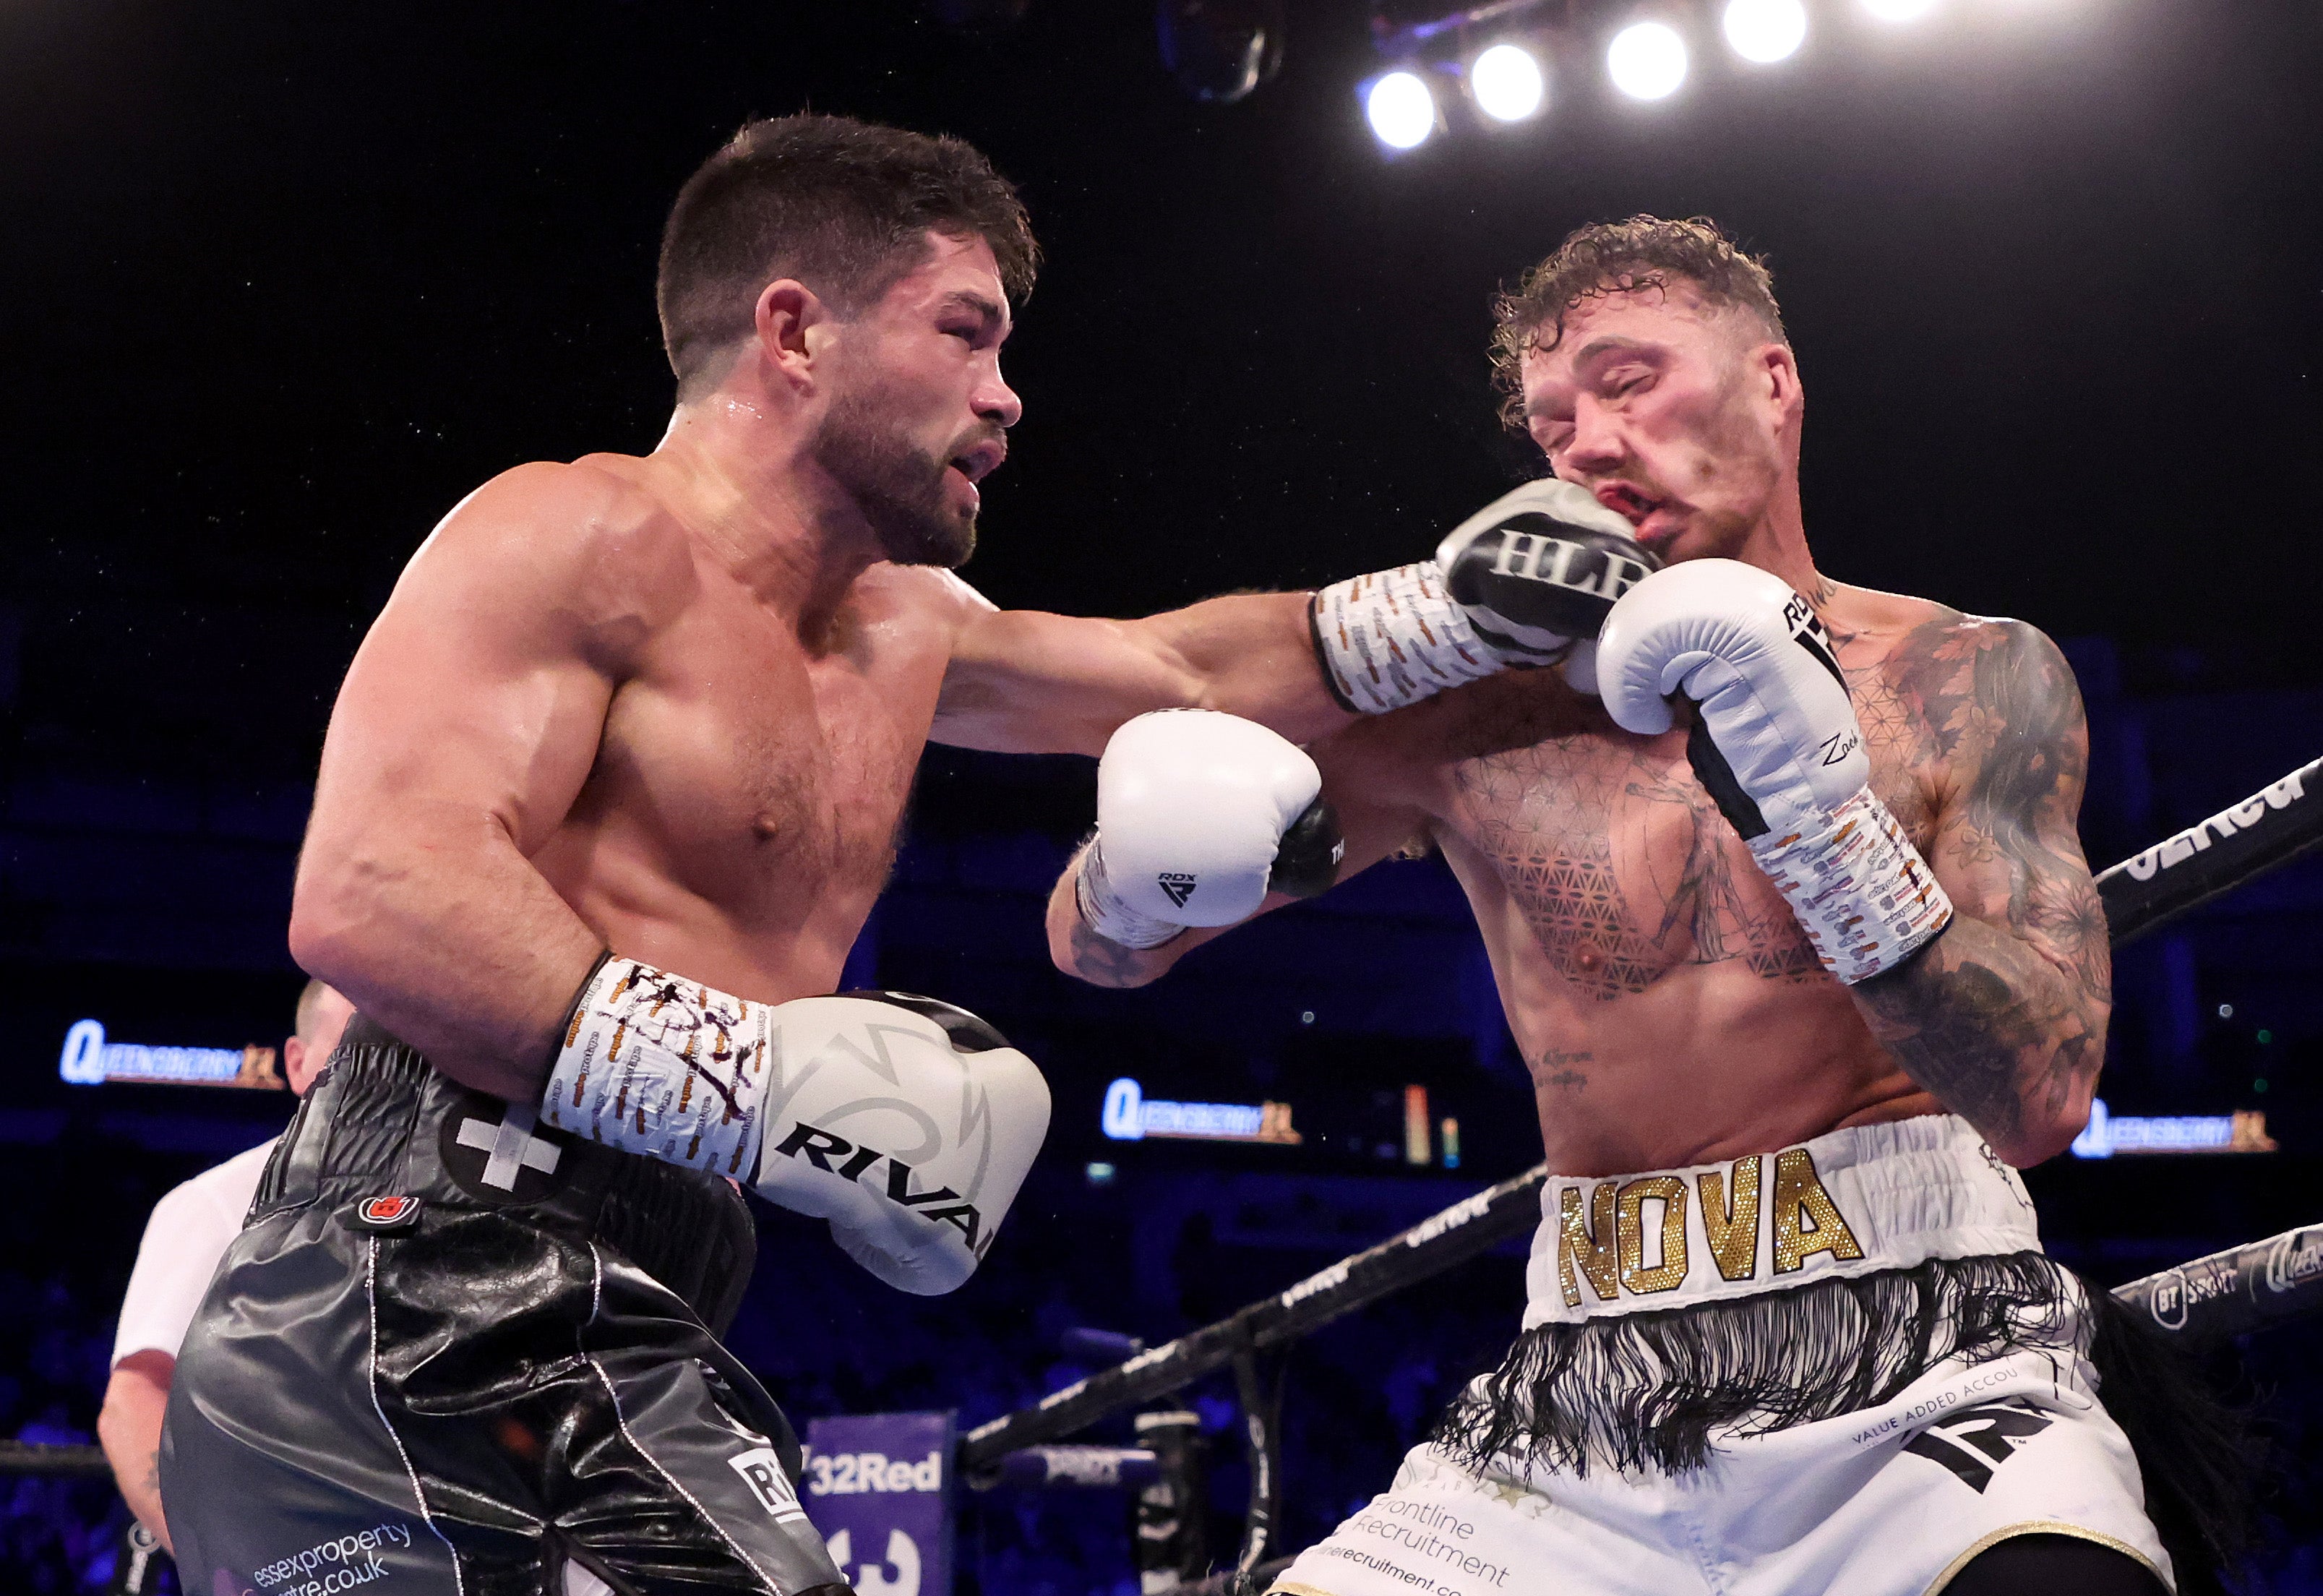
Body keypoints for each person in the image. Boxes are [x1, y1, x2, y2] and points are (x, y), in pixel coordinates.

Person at [160, 110, 1556, 1596]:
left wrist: (1455, 608)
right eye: (966, 334)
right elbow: (373, 895)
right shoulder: (572, 533)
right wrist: (761, 1086)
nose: (1006, 397)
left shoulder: (903, 631)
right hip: (415, 1281)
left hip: (624, 1307)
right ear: (794, 332)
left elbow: (1177, 667)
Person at [1047, 218, 2243, 1595]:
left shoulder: (1961, 676)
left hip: (1933, 1362)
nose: (1586, 443)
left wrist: (1816, 818)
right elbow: (1101, 952)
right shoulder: (1474, 722)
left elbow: (2038, 1096)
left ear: (1772, 384)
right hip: (1584, 1396)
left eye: (1628, 382)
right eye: (1555, 419)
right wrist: (1130, 863)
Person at [98, 979, 353, 1555]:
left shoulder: (456, 1197)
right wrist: (229, 1566)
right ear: (297, 1063)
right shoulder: (218, 1204)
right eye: (351, 1048)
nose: (375, 1073)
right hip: (301, 1558)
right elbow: (134, 1403)